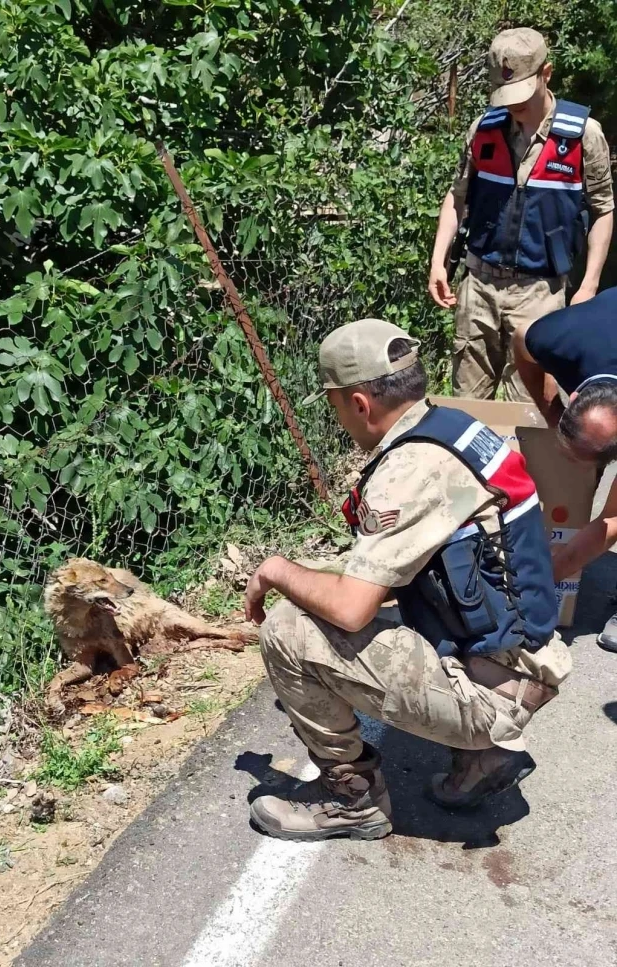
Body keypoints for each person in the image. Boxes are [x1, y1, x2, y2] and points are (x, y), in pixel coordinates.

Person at [244, 318, 571, 842]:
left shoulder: (411, 469)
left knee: (288, 628)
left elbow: (351, 608)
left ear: (358, 403)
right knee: (375, 606)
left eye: (333, 404)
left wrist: (276, 570)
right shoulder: (455, 426)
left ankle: (352, 801)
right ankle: (480, 762)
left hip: (497, 688)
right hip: (523, 661)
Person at [428, 27, 614, 402]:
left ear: (547, 74)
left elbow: (603, 210)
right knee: (467, 407)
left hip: (540, 292)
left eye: (522, 94)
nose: (512, 106)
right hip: (478, 286)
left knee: (528, 413)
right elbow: (457, 196)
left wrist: (589, 284)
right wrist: (438, 262)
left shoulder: (582, 137)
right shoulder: (484, 129)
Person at [513, 289, 617, 653]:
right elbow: (520, 337)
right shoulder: (557, 338)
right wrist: (548, 407)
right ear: (573, 397)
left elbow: (614, 519)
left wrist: (545, 579)